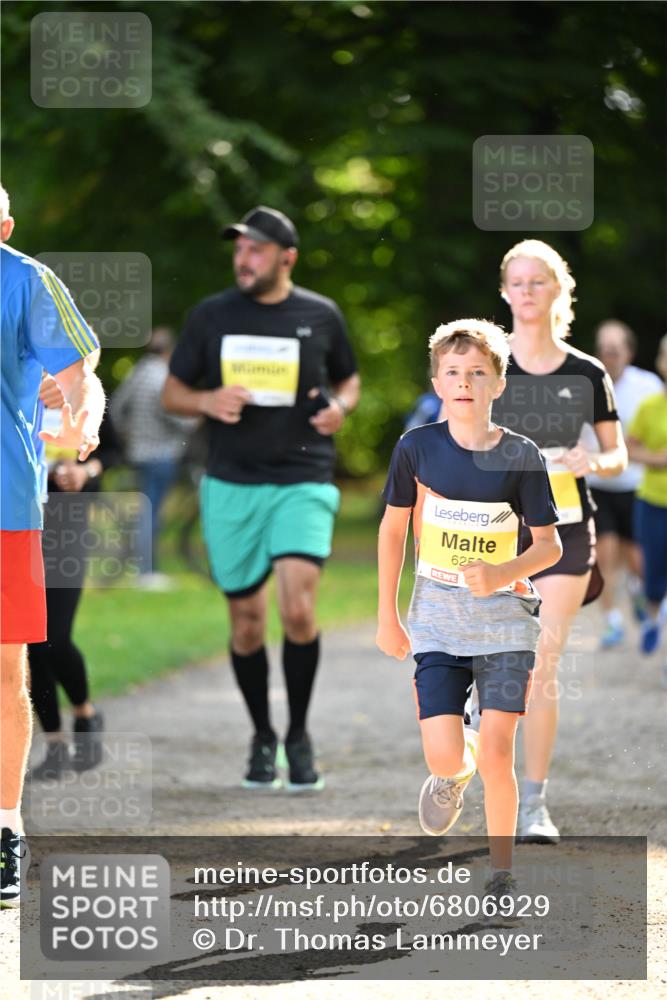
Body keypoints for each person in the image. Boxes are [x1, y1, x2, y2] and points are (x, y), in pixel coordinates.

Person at [162, 206, 360, 790]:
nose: (242, 259)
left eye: (255, 249)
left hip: (303, 477)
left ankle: (298, 735)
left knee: (297, 608)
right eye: (239, 249)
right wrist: (207, 401)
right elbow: (174, 390)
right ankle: (262, 734)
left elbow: (348, 377)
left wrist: (341, 409)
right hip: (231, 483)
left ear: (286, 257)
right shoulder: (212, 315)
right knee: (247, 623)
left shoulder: (320, 314)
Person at [377, 319, 561, 900]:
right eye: (453, 373)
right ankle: (455, 770)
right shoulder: (417, 448)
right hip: (436, 621)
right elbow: (392, 530)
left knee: (500, 752)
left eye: (478, 373)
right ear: (436, 382)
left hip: (506, 624)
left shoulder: (520, 455)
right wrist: (387, 613)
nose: (464, 383)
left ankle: (501, 872)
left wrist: (504, 573)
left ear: (498, 385)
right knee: (445, 751)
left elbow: (549, 545)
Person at [491, 240, 627, 844]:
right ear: (504, 293)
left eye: (537, 281)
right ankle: (467, 746)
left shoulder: (586, 373)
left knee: (542, 662)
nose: (526, 291)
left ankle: (535, 805)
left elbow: (618, 451)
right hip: (494, 530)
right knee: (496, 662)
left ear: (557, 291)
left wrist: (590, 460)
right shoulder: (488, 366)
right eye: (516, 282)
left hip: (567, 528)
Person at [0, 185, 104, 905]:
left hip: (4, 507)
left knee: (5, 673)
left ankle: (4, 827)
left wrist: (76, 420)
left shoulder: (29, 282)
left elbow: (79, 381)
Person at [27, 378, 121, 781]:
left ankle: (85, 711)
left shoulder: (84, 389)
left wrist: (86, 471)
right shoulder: (11, 383)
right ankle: (55, 746)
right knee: (30, 642)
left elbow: (114, 450)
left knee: (55, 637)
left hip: (65, 525)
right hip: (18, 526)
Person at [585, 320, 662, 648]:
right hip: (597, 483)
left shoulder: (648, 387)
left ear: (628, 352)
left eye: (616, 349)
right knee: (604, 553)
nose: (610, 354)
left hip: (635, 487)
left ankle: (638, 595)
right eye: (605, 348)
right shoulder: (584, 382)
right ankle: (612, 622)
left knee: (637, 560)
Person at [110, 327, 198, 588]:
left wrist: (128, 433)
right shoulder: (163, 377)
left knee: (147, 509)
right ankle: (146, 571)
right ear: (170, 351)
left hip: (138, 452)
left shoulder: (136, 373)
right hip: (161, 452)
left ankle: (145, 568)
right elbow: (176, 416)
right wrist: (196, 417)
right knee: (152, 513)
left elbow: (115, 408)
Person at [627, 334, 667, 665]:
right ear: (661, 363)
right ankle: (653, 619)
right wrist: (657, 459)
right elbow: (629, 448)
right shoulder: (650, 406)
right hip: (653, 502)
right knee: (653, 578)